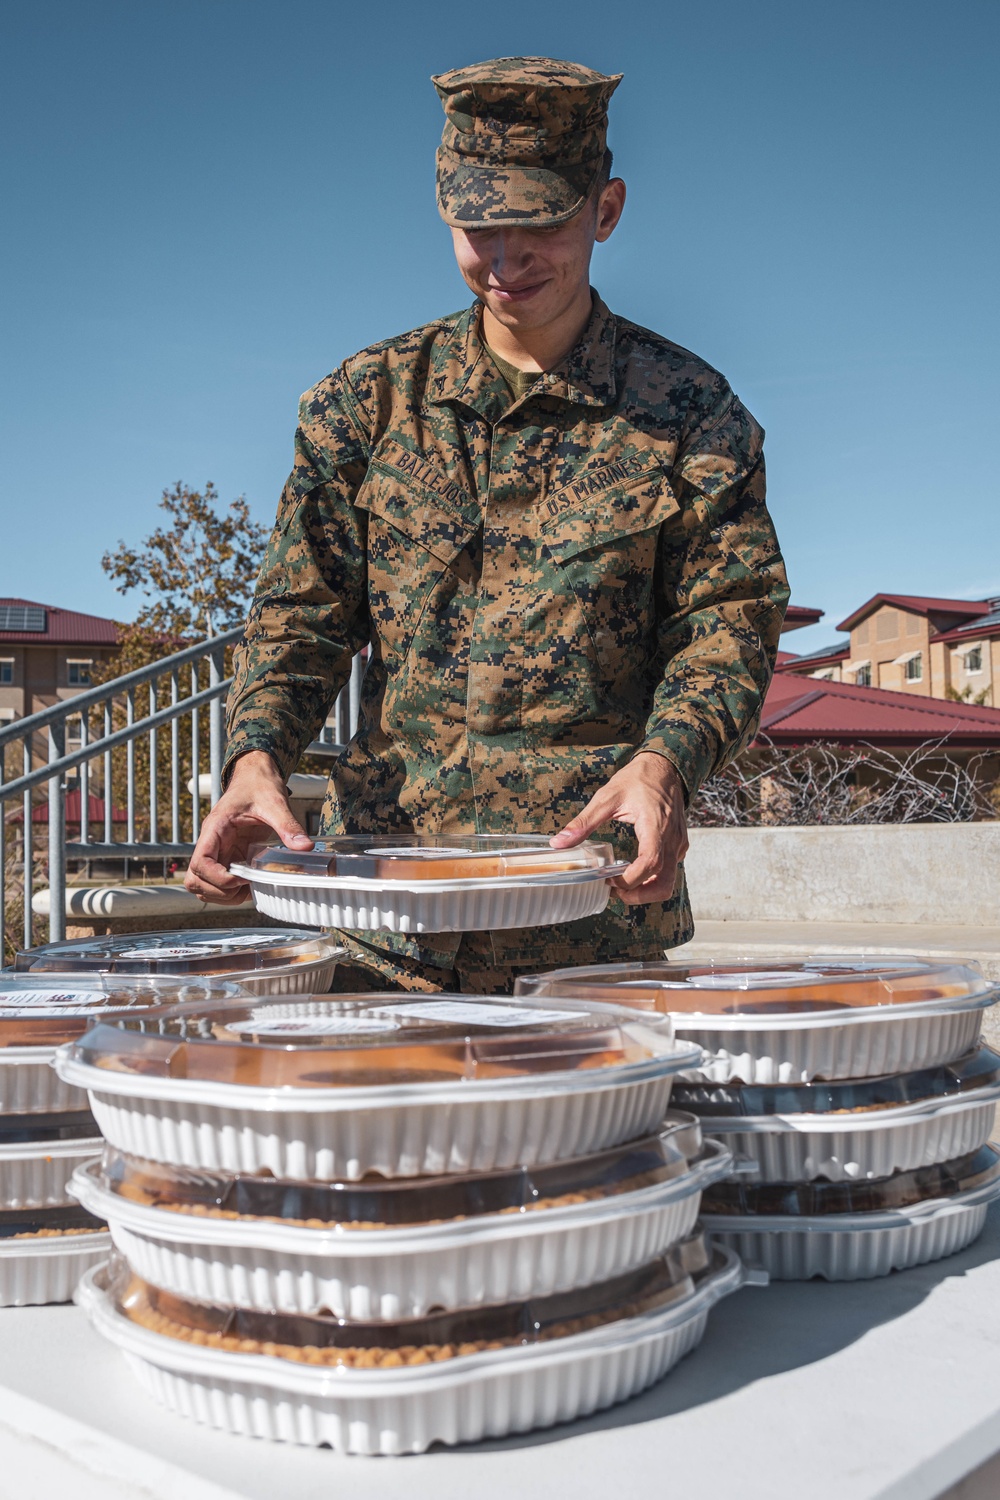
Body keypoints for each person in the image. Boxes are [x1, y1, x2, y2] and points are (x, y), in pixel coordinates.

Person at [185, 56, 789, 994]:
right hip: (387, 922)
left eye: (540, 221)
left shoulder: (692, 416)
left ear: (607, 209)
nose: (505, 260)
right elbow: (299, 617)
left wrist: (668, 763)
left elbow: (728, 625)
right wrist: (256, 755)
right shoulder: (365, 405)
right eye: (476, 225)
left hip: (593, 926)